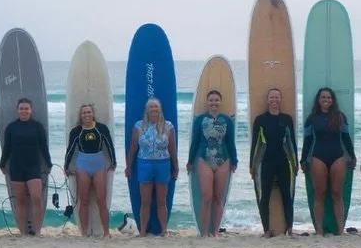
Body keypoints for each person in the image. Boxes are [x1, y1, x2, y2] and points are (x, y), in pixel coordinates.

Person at [301, 87, 356, 235]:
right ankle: (319, 230)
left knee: (337, 193)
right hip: (318, 157)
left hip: (338, 157)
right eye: (323, 97)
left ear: (333, 100)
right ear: (318, 100)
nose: (326, 100)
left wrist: (352, 156)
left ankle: (340, 230)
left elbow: (346, 138)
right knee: (320, 193)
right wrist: (303, 159)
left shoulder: (340, 117)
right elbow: (307, 141)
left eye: (329, 97)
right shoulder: (311, 119)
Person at [187, 89, 238, 237]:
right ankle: (204, 232)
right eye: (211, 100)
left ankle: (215, 232)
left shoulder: (227, 120)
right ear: (207, 102)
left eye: (216, 100)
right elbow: (195, 141)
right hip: (204, 159)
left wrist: (234, 161)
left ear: (220, 102)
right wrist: (190, 161)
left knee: (218, 197)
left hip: (223, 160)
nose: (214, 102)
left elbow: (230, 143)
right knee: (207, 197)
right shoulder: (200, 120)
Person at [0, 97, 52, 235]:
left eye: (26, 108)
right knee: (21, 201)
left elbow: (43, 147)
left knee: (36, 197)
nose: (24, 111)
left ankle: (37, 231)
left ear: (31, 110)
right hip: (16, 167)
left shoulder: (38, 126)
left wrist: (48, 163)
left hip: (33, 166)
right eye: (21, 108)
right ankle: (23, 232)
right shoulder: (11, 127)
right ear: (18, 110)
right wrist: (2, 163)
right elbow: (7, 147)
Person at [64, 101, 116, 239]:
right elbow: (70, 150)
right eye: (84, 113)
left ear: (93, 114)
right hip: (83, 165)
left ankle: (106, 232)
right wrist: (66, 166)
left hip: (98, 164)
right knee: (84, 200)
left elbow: (109, 146)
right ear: (80, 116)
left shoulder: (101, 128)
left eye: (88, 112)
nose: (86, 114)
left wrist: (113, 162)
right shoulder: (76, 131)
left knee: (101, 200)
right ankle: (84, 233)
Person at [250, 88, 297, 236]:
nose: (274, 100)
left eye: (277, 97)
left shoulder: (287, 119)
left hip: (284, 162)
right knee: (264, 196)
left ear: (280, 99)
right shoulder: (260, 120)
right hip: (266, 163)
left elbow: (292, 143)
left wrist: (295, 163)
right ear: (267, 100)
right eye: (272, 97)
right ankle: (266, 230)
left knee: (287, 195)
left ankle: (289, 228)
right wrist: (252, 164)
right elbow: (255, 144)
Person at [128, 96, 177, 236]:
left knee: (161, 201)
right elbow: (133, 148)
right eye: (151, 107)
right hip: (144, 164)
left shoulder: (168, 126)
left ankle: (164, 230)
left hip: (163, 164)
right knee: (145, 201)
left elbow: (172, 149)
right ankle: (143, 231)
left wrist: (176, 167)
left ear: (160, 109)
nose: (154, 109)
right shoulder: (139, 126)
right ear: (147, 110)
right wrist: (128, 166)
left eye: (156, 106)